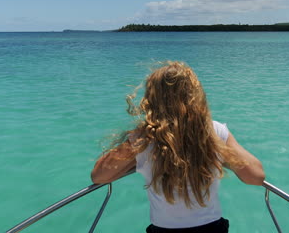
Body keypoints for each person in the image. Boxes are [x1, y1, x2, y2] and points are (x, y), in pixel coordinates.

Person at [91, 61, 265, 232]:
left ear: (151, 99)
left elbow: (99, 176)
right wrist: (220, 153)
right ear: (195, 96)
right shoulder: (214, 131)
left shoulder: (143, 138)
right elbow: (256, 176)